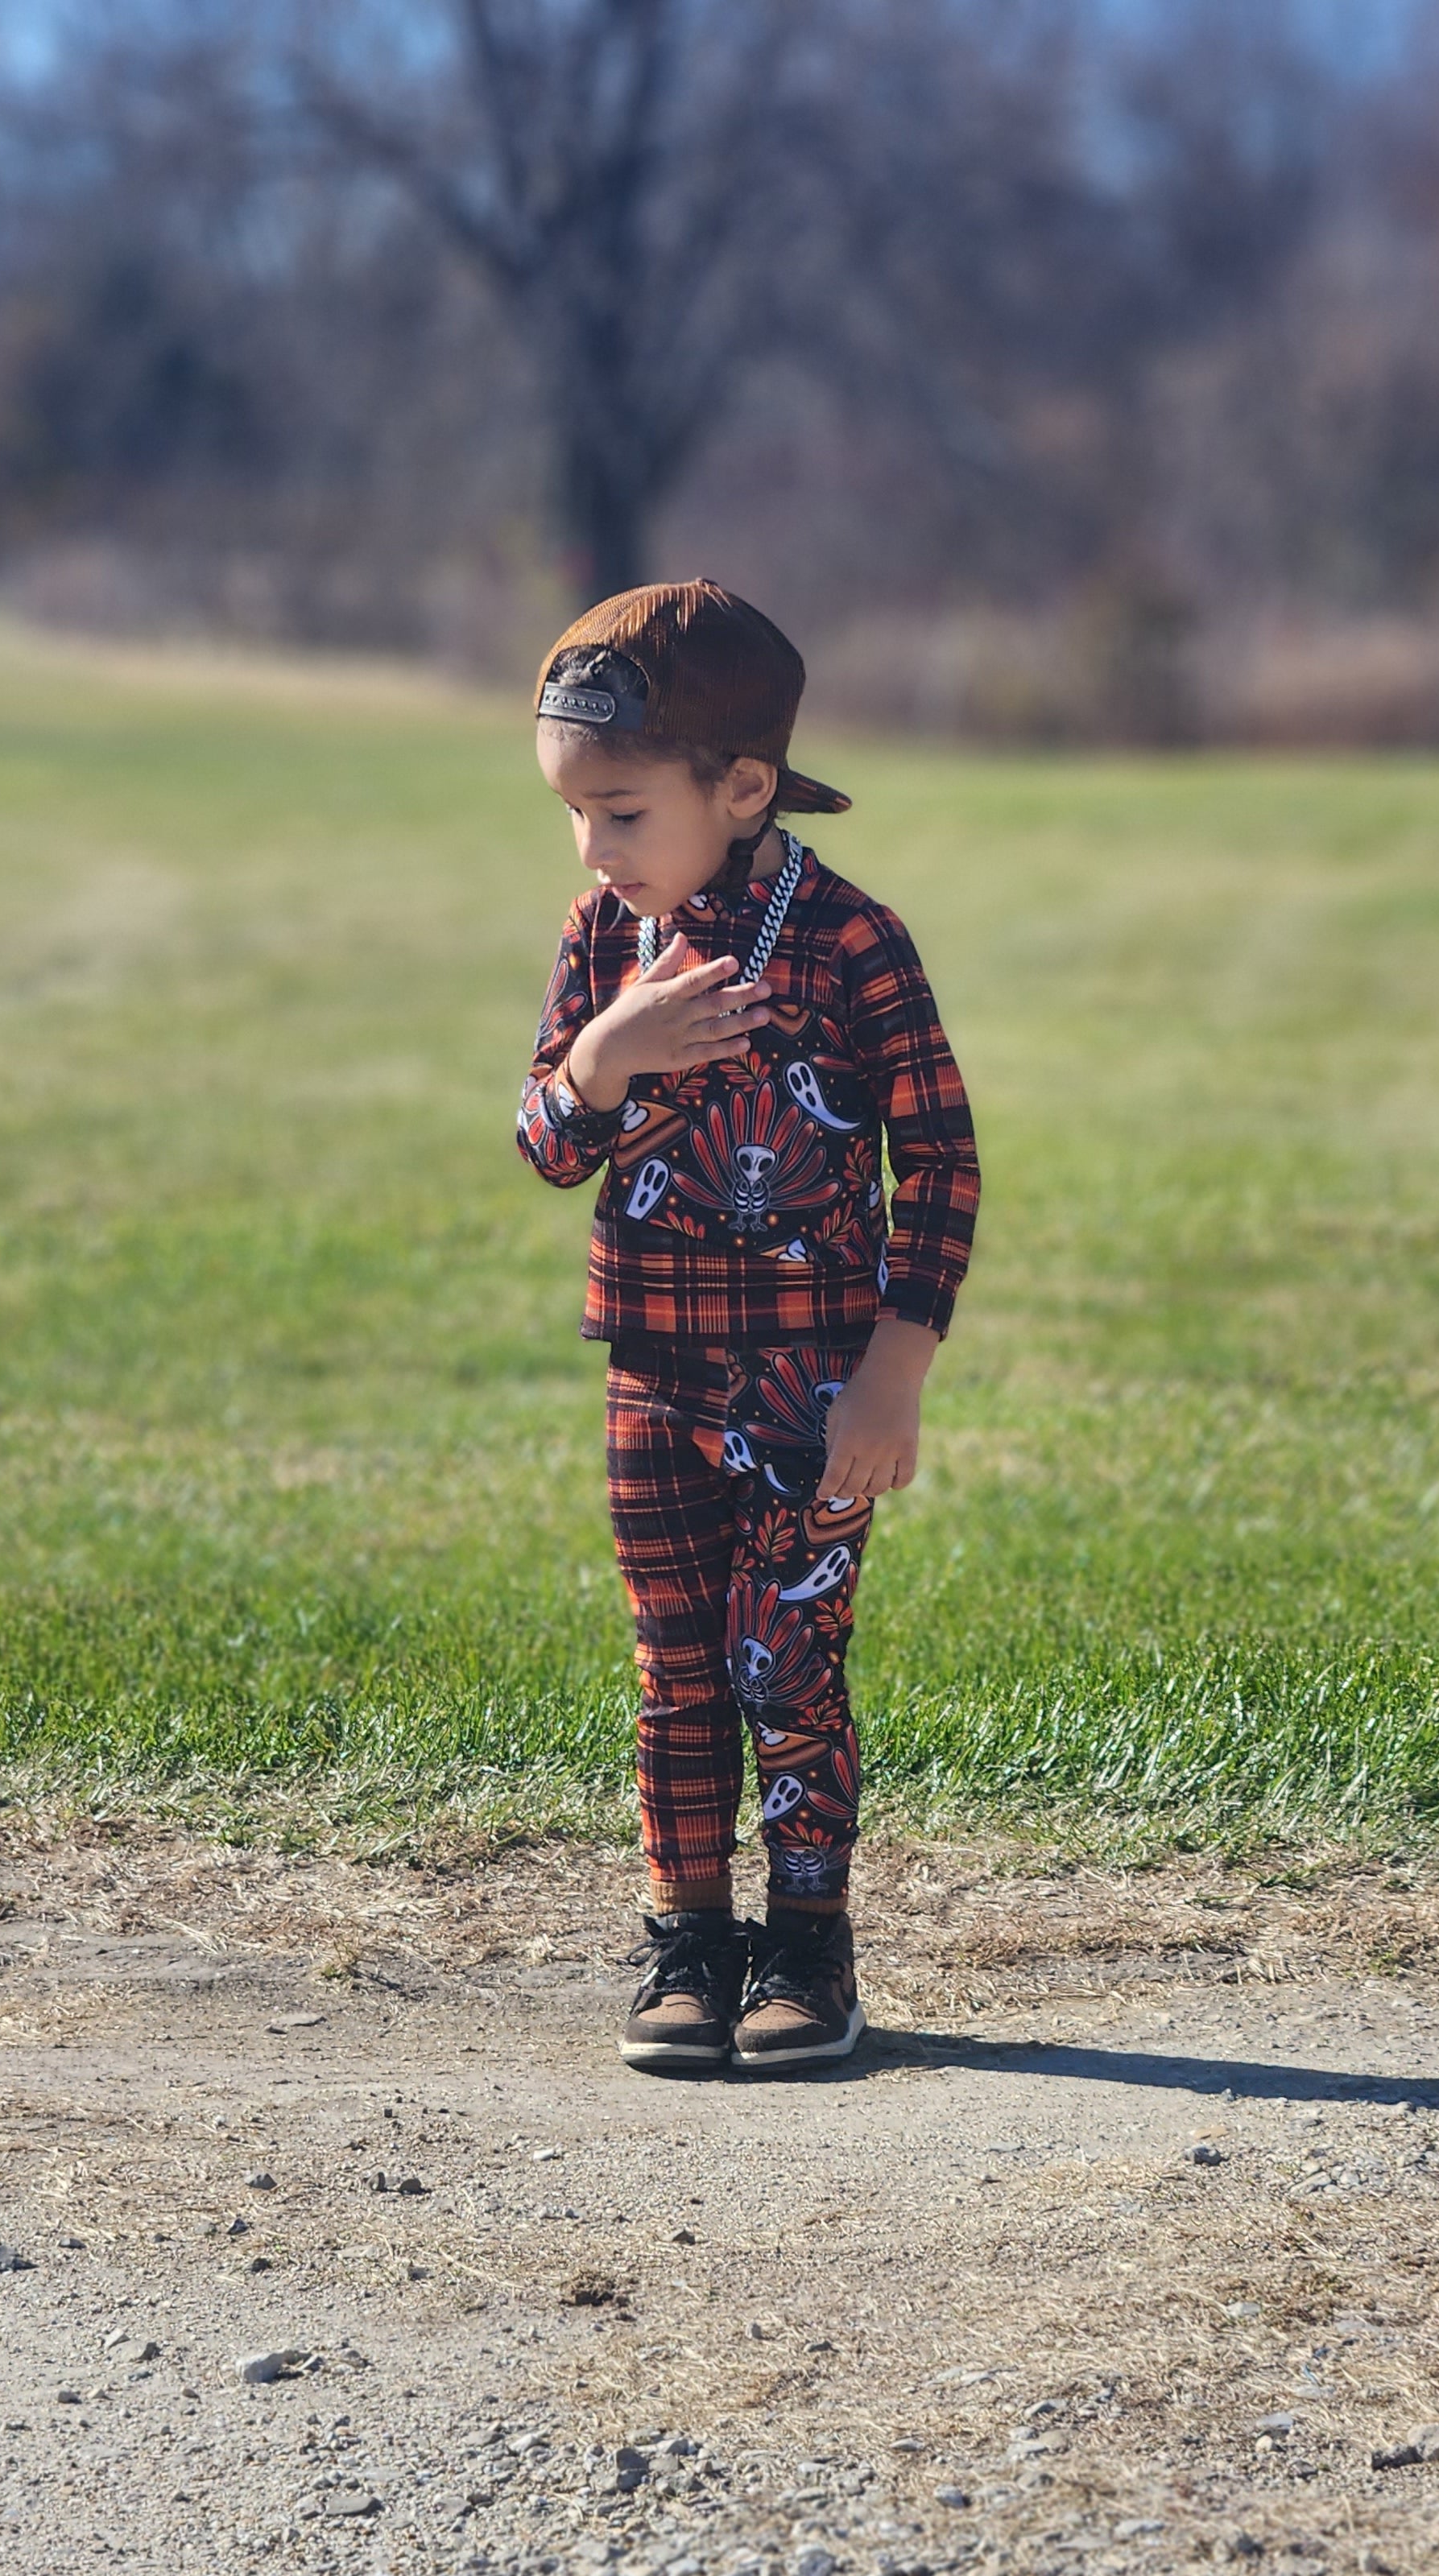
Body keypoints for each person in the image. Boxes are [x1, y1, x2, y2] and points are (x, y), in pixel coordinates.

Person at [518, 578, 980, 2073]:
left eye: (623, 812)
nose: (594, 849)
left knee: (787, 1664)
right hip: (651, 1374)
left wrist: (896, 1367)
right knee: (675, 1663)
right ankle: (688, 1940)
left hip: (813, 1385)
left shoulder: (851, 944)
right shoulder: (607, 941)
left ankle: (809, 1944)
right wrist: (603, 1056)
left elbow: (943, 1159)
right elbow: (544, 1143)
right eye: (575, 815)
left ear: (743, 786)